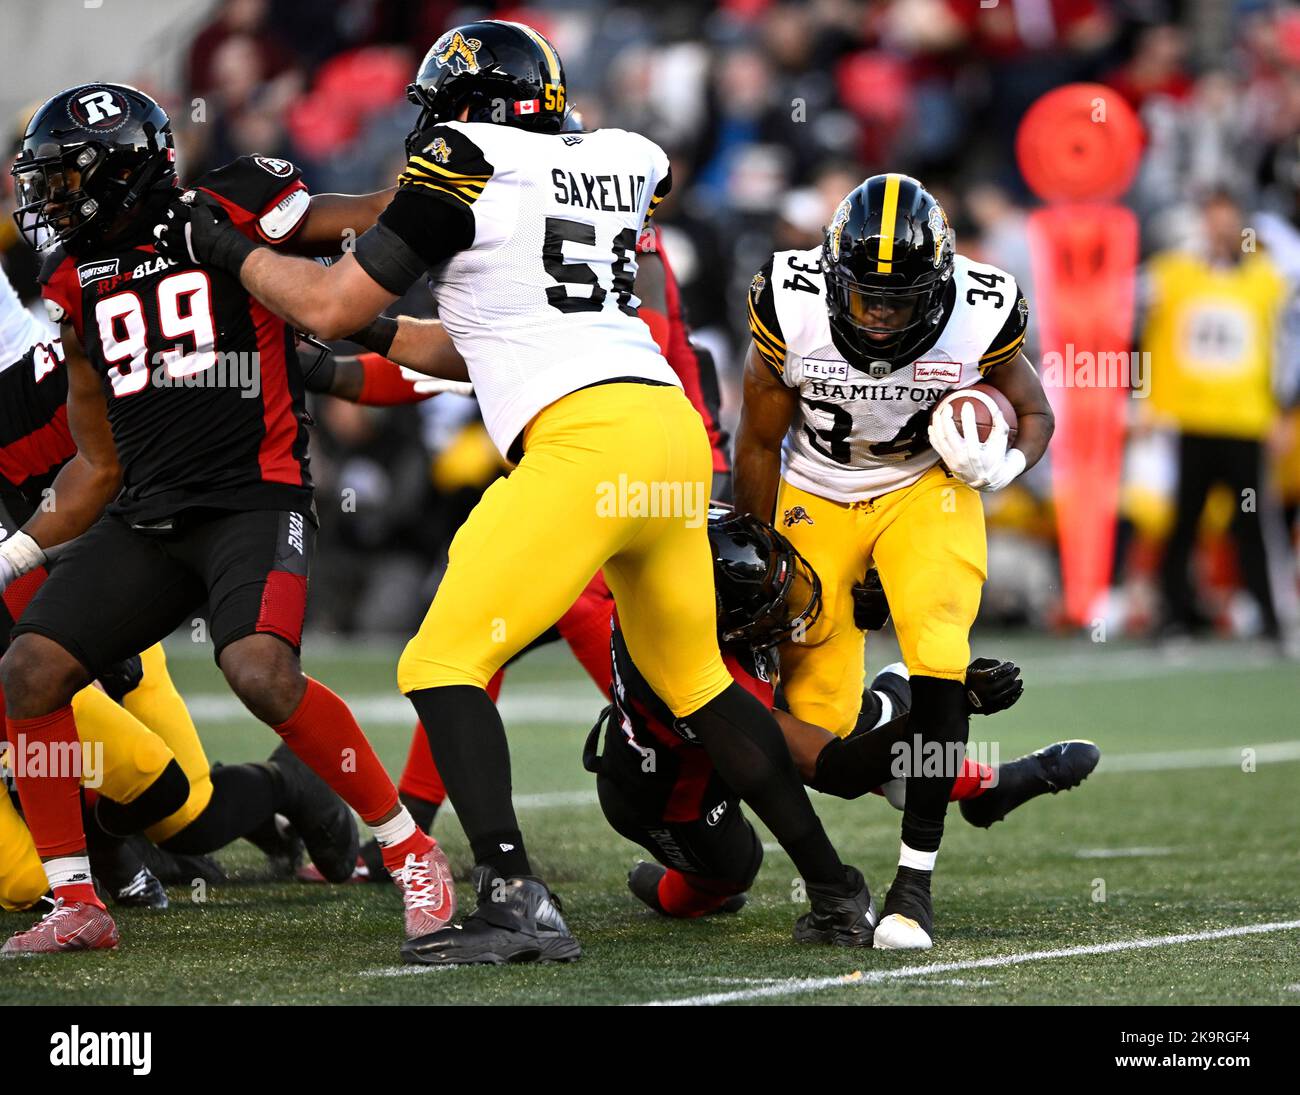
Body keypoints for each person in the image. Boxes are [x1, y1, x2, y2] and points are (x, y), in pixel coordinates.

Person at [157, 19, 878, 964]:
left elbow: (332, 300)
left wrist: (229, 251)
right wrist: (371, 344)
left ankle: (510, 897)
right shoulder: (616, 157)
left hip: (583, 440)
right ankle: (836, 889)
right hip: (658, 430)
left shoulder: (462, 164)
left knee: (440, 661)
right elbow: (486, 341)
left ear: (465, 107)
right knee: (696, 681)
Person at [0, 82, 451, 955]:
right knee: (30, 669)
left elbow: (370, 217)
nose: (46, 202)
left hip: (255, 496)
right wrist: (16, 551)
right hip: (148, 516)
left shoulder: (231, 204)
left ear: (117, 173)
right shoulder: (72, 278)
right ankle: (76, 901)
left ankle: (410, 847)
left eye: (62, 180)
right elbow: (98, 466)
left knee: (257, 670)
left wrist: (461, 183)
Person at [733, 174, 1055, 948]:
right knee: (821, 741)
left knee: (941, 649)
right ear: (833, 275)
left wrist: (1003, 468)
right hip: (815, 488)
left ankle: (914, 886)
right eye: (865, 296)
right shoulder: (790, 297)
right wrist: (753, 552)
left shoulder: (982, 308)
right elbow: (757, 440)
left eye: (899, 299)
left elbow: (1036, 411)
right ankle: (893, 705)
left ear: (938, 290)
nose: (878, 314)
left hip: (923, 487)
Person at [586, 510, 1099, 918]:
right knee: (735, 870)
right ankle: (668, 886)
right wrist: (954, 702)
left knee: (868, 704)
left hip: (694, 728)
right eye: (766, 603)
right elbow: (836, 769)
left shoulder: (669, 570)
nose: (784, 606)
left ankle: (986, 787)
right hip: (670, 799)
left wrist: (865, 604)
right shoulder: (706, 683)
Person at [1145, 188, 1295, 642]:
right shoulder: (1174, 275)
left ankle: (1270, 617)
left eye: (1228, 221)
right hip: (1191, 419)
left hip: (1245, 422)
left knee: (1251, 524)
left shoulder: (1268, 280)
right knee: (1184, 521)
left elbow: (1286, 348)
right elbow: (1136, 315)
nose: (1221, 231)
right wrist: (1145, 397)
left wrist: (1283, 410)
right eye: (1213, 221)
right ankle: (1175, 614)